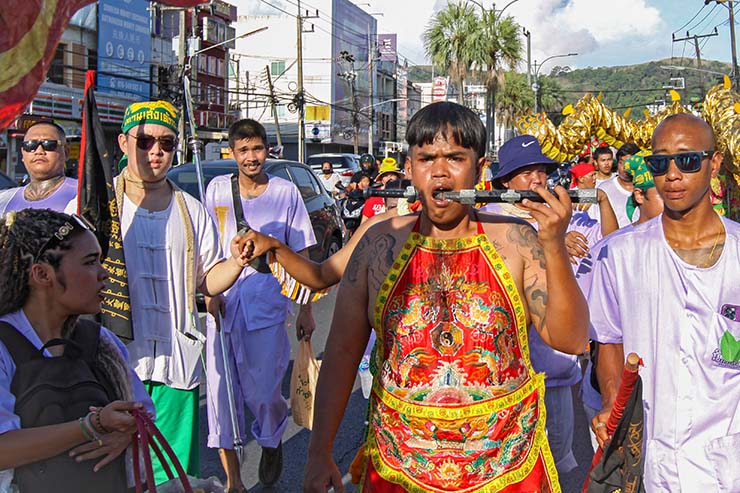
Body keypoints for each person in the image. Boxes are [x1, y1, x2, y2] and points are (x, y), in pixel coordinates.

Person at [303, 101, 589, 492]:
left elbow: (570, 339)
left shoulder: (518, 241)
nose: (440, 171)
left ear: (480, 167)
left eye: (455, 157)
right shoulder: (377, 246)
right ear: (409, 168)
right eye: (426, 158)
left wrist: (553, 244)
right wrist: (319, 453)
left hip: (505, 468)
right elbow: (340, 355)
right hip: (399, 467)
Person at [589, 113, 740, 491]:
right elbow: (608, 339)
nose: (672, 174)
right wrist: (611, 400)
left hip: (727, 461)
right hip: (650, 463)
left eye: (687, 161)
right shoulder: (619, 255)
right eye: (660, 162)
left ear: (714, 164)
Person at [116, 100, 250, 484]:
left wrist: (237, 263)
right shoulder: (99, 206)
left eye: (166, 143)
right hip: (117, 363)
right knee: (116, 474)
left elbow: (206, 280)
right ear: (124, 142)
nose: (155, 151)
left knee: (170, 477)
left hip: (176, 364)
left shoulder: (190, 209)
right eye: (144, 142)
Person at [0, 208, 154, 493]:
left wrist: (128, 431)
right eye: (90, 262)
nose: (104, 273)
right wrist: (90, 426)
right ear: (42, 274)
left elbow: (143, 413)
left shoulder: (101, 341)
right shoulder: (4, 344)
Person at [203, 118, 317, 490]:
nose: (251, 158)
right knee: (221, 398)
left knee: (263, 392)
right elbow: (206, 248)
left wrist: (307, 308)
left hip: (266, 302)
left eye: (257, 149)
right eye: (243, 150)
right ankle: (234, 480)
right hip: (222, 303)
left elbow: (302, 252)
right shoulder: (217, 189)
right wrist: (209, 292)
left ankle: (270, 440)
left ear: (267, 150)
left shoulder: (285, 192)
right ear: (232, 153)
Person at [480, 135, 591, 477]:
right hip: (505, 377)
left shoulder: (556, 216)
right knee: (508, 468)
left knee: (553, 467)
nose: (537, 179)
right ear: (505, 181)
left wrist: (557, 239)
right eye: (526, 171)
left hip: (554, 367)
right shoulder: (488, 218)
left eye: (541, 170)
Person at [0, 121, 77, 215]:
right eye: (30, 145)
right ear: (23, 154)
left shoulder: (84, 196)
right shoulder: (4, 200)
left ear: (66, 152)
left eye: (49, 144)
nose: (39, 151)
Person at [598, 142, 641, 227]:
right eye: (622, 162)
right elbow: (574, 196)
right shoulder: (603, 189)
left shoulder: (649, 189)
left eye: (630, 163)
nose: (625, 167)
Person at [360, 157, 404, 223]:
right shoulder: (373, 195)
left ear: (397, 177)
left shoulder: (404, 195)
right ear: (381, 179)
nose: (389, 178)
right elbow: (364, 222)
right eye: (386, 175)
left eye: (392, 175)